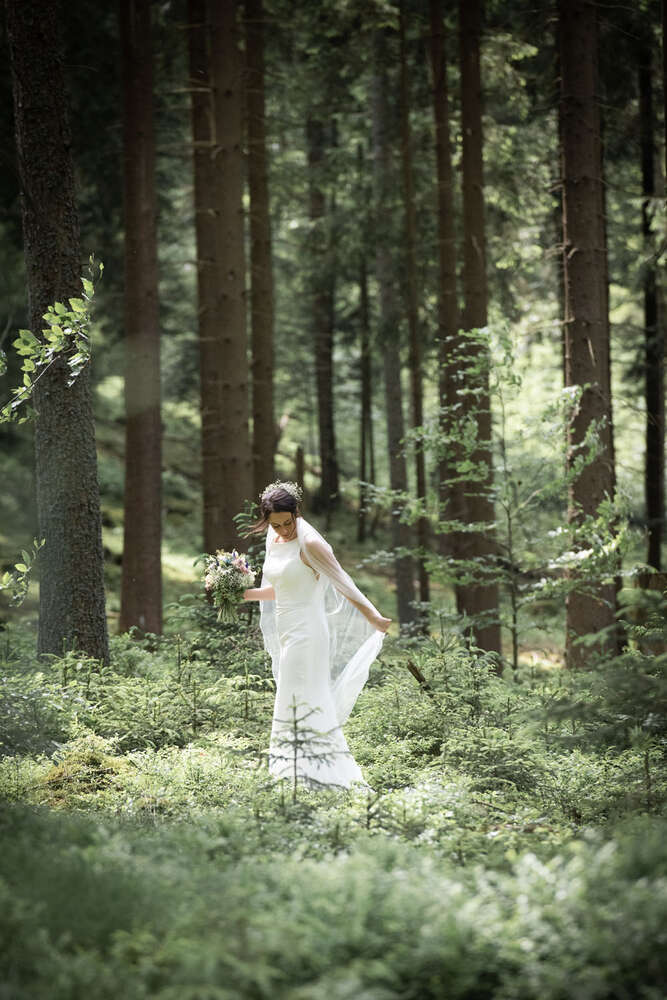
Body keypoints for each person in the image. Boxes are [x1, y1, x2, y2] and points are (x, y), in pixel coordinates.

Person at [243, 481, 391, 788]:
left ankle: (315, 775)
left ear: (297, 512)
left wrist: (373, 616)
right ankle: (294, 770)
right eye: (276, 524)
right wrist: (243, 594)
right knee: (292, 697)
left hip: (308, 633)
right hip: (288, 630)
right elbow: (283, 590)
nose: (283, 530)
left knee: (300, 698)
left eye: (287, 523)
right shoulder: (275, 536)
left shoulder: (311, 543)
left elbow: (343, 583)